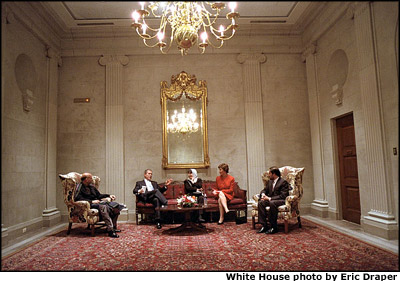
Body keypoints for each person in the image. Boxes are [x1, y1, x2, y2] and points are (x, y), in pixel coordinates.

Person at [74, 172, 124, 238]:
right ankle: (110, 230)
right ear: (86, 179)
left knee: (116, 206)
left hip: (98, 203)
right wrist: (92, 201)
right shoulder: (79, 187)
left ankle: (114, 227)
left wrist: (109, 195)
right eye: (90, 178)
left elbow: (99, 195)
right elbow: (77, 198)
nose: (92, 179)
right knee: (104, 207)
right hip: (89, 205)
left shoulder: (92, 187)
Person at [257, 166, 289, 234]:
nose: (268, 175)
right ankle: (264, 225)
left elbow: (283, 196)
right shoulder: (270, 182)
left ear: (274, 174)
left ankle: (274, 227)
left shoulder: (283, 182)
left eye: (269, 173)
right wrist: (263, 194)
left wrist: (269, 198)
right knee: (260, 202)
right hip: (272, 200)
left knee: (272, 203)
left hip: (280, 200)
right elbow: (264, 190)